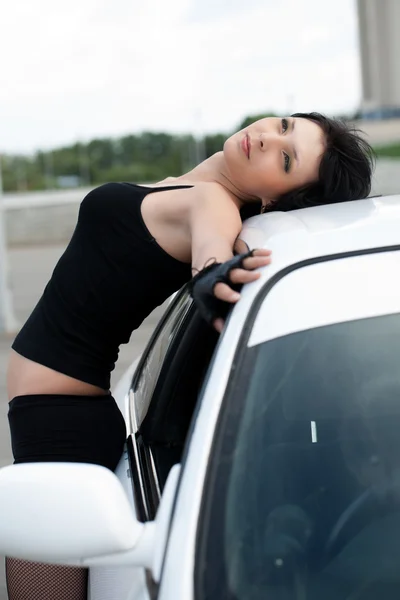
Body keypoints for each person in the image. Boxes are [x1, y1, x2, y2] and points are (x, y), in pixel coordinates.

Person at [5, 113, 373, 600]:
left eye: (285, 159)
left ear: (274, 199)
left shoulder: (212, 202)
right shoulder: (190, 188)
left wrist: (214, 279)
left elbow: (212, 254)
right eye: (283, 125)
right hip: (54, 420)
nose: (266, 138)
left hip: (61, 430)